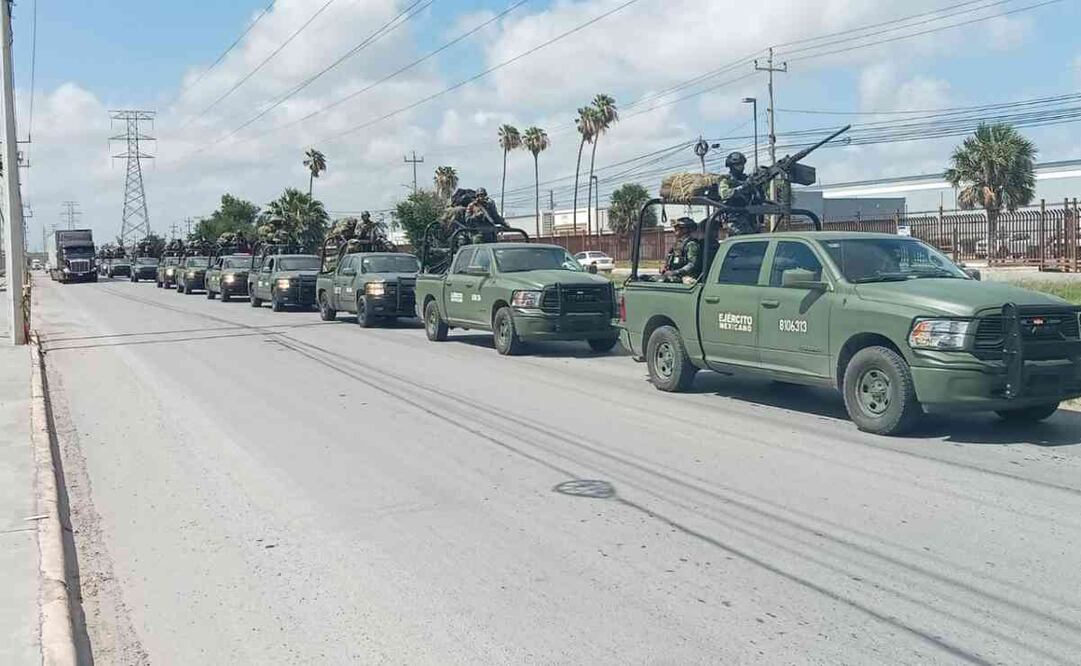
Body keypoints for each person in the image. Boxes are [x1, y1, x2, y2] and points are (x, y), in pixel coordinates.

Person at [662, 217, 703, 282]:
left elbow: (692, 264)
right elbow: (670, 258)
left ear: (685, 230)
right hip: (676, 275)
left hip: (687, 278)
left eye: (677, 228)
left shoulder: (691, 244)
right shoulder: (678, 244)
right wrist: (664, 267)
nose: (674, 230)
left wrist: (676, 272)